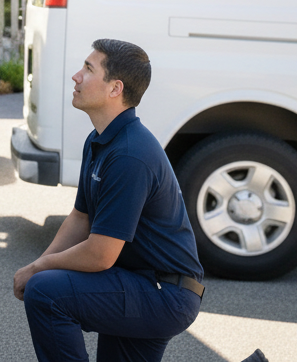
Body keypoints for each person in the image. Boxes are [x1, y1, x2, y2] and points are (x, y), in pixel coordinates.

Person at [13, 39, 204, 362]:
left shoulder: (130, 155)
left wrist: (39, 268)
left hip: (164, 293)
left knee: (46, 292)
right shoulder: (100, 140)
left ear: (115, 88)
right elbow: (80, 218)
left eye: (88, 69)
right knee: (42, 282)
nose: (76, 76)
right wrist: (37, 265)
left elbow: (101, 254)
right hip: (138, 282)